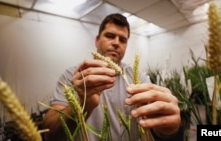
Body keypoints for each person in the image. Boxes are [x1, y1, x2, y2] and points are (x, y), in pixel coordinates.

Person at [43, 13, 182, 141]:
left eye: (122, 40)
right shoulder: (73, 76)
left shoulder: (138, 78)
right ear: (97, 40)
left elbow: (155, 124)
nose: (116, 43)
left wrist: (167, 127)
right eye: (110, 36)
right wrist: (82, 104)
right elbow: (51, 132)